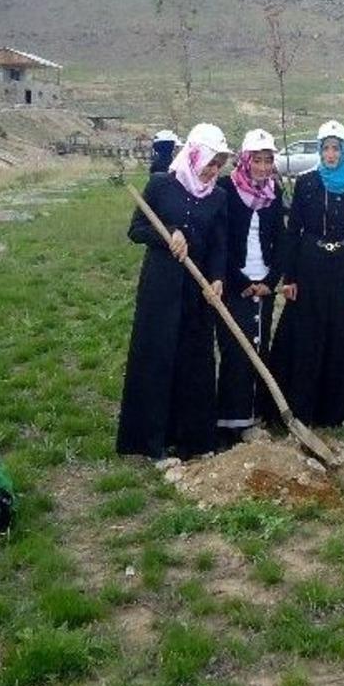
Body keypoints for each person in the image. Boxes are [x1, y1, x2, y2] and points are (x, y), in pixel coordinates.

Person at [117, 123, 230, 460]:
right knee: (158, 356)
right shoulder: (161, 185)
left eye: (218, 164)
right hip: (161, 286)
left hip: (198, 290)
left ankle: (192, 439)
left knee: (194, 360)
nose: (212, 171)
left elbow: (219, 244)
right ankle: (151, 440)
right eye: (209, 162)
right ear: (193, 155)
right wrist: (169, 233)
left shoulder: (219, 196)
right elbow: (136, 230)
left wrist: (218, 278)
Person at [270, 120, 344, 427]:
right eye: (325, 148)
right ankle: (304, 406)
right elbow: (293, 231)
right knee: (308, 333)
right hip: (310, 263)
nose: (330, 155)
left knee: (341, 334)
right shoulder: (307, 183)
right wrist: (290, 277)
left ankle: (337, 410)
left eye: (335, 149)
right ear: (319, 150)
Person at [214, 129, 286, 445]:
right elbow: (221, 241)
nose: (262, 167)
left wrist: (270, 282)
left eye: (268, 160)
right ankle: (231, 419)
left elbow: (280, 239)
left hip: (264, 282)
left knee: (259, 346)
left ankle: (253, 415)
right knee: (236, 348)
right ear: (245, 160)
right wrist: (241, 282)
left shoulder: (274, 191)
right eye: (257, 160)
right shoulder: (225, 189)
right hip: (235, 282)